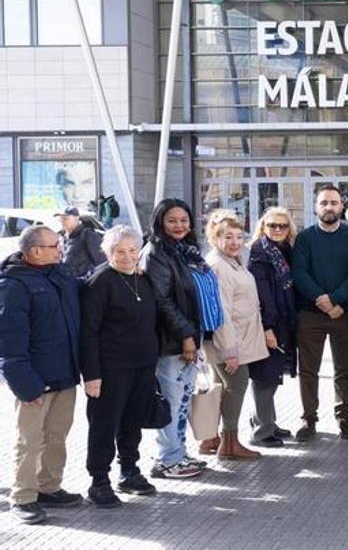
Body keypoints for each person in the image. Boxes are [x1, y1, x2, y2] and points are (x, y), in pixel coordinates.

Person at [0, 225, 83, 524]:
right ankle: (22, 497)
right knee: (29, 440)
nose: (59, 248)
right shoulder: (13, 285)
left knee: (57, 436)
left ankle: (49, 487)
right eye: (53, 245)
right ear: (34, 251)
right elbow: (9, 342)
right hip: (35, 380)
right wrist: (26, 385)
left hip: (65, 374)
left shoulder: (59, 275)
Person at [80, 225, 160, 508]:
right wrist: (91, 375)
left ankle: (129, 470)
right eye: (119, 251)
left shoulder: (143, 279)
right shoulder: (100, 282)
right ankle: (99, 480)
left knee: (133, 422)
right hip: (111, 369)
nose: (126, 257)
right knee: (104, 424)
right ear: (107, 252)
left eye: (131, 250)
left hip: (143, 365)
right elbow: (88, 332)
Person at [142, 199, 211, 480]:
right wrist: (186, 335)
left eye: (184, 220)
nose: (179, 225)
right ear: (160, 222)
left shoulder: (186, 252)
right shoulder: (157, 252)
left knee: (182, 400)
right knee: (171, 400)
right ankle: (167, 459)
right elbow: (161, 300)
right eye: (172, 220)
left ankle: (178, 453)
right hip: (172, 341)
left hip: (190, 335)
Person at [293, 185, 348, 441]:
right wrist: (322, 301)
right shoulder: (304, 238)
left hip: (342, 314)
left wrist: (334, 300)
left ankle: (343, 416)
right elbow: (299, 272)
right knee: (308, 370)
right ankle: (308, 419)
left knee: (343, 370)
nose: (329, 207)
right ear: (316, 207)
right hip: (310, 314)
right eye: (324, 203)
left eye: (334, 203)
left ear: (342, 206)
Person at [199, 211, 269, 460]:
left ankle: (211, 438)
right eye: (228, 237)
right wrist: (229, 351)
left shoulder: (231, 261)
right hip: (228, 340)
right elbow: (223, 313)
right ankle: (229, 443)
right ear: (214, 238)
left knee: (221, 386)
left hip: (235, 337)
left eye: (239, 236)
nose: (235, 242)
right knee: (236, 384)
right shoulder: (219, 267)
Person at [246, 207, 299, 448]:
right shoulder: (259, 254)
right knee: (265, 377)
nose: (277, 230)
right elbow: (262, 295)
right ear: (262, 228)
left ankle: (266, 421)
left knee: (274, 375)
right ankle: (262, 431)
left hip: (284, 321)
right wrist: (267, 328)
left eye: (283, 226)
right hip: (269, 324)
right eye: (272, 226)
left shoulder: (284, 251)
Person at [56, 206, 103, 278]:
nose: (62, 221)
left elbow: (102, 263)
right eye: (60, 218)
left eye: (65, 218)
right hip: (66, 284)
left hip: (84, 285)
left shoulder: (88, 236)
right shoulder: (60, 237)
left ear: (77, 218)